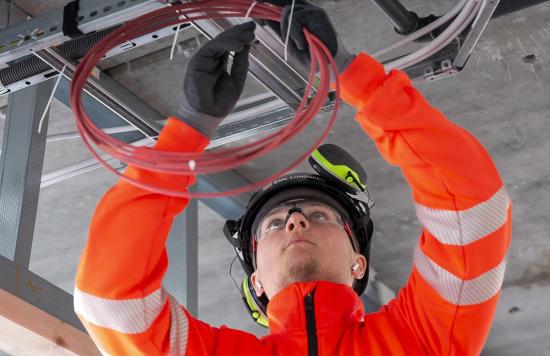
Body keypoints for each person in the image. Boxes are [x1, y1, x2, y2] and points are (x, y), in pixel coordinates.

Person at [74, 2, 512, 355]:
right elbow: (110, 302)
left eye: (319, 215)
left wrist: (187, 134)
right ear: (256, 284)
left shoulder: (420, 343)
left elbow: (473, 211)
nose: (297, 222)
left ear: (359, 264)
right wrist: (185, 132)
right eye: (274, 225)